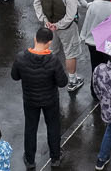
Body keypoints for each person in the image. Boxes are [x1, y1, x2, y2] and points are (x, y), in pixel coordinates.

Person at [12, 26, 66, 170]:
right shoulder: (53, 60)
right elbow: (62, 82)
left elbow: (14, 76)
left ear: (35, 38)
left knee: (30, 128)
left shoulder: (21, 57)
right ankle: (55, 157)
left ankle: (30, 160)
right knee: (53, 127)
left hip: (30, 99)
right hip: (50, 100)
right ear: (49, 42)